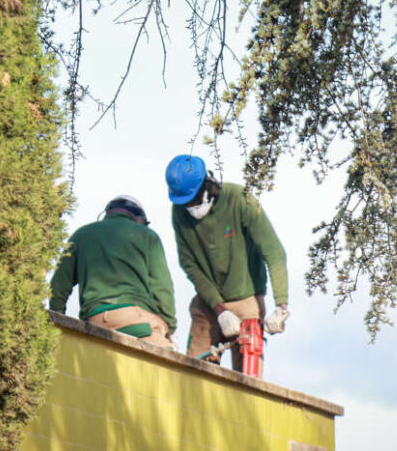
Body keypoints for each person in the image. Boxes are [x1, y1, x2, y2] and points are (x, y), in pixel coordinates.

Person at [165, 155, 290, 372]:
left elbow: (274, 252)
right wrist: (219, 308)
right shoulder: (179, 212)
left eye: (193, 200)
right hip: (209, 300)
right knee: (194, 370)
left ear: (207, 185)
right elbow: (189, 264)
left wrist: (281, 305)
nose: (190, 207)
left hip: (246, 297)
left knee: (247, 376)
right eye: (185, 203)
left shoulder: (239, 199)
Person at [50, 195, 178, 349]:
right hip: (134, 317)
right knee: (170, 357)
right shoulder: (147, 236)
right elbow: (163, 289)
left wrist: (57, 324)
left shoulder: (81, 235)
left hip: (95, 320)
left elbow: (58, 287)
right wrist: (170, 327)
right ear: (138, 217)